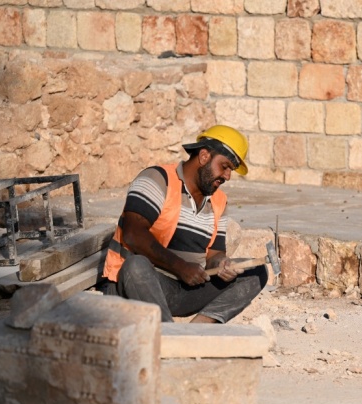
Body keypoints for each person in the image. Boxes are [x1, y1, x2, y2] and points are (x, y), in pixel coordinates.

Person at [102, 125, 267, 323]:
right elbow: (133, 234)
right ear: (204, 156)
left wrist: (222, 265)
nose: (227, 176)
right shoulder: (157, 179)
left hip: (183, 289)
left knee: (256, 272)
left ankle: (195, 332)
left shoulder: (218, 201)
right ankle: (169, 336)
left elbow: (214, 254)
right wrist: (180, 266)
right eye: (224, 167)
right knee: (136, 265)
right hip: (138, 286)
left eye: (230, 170)